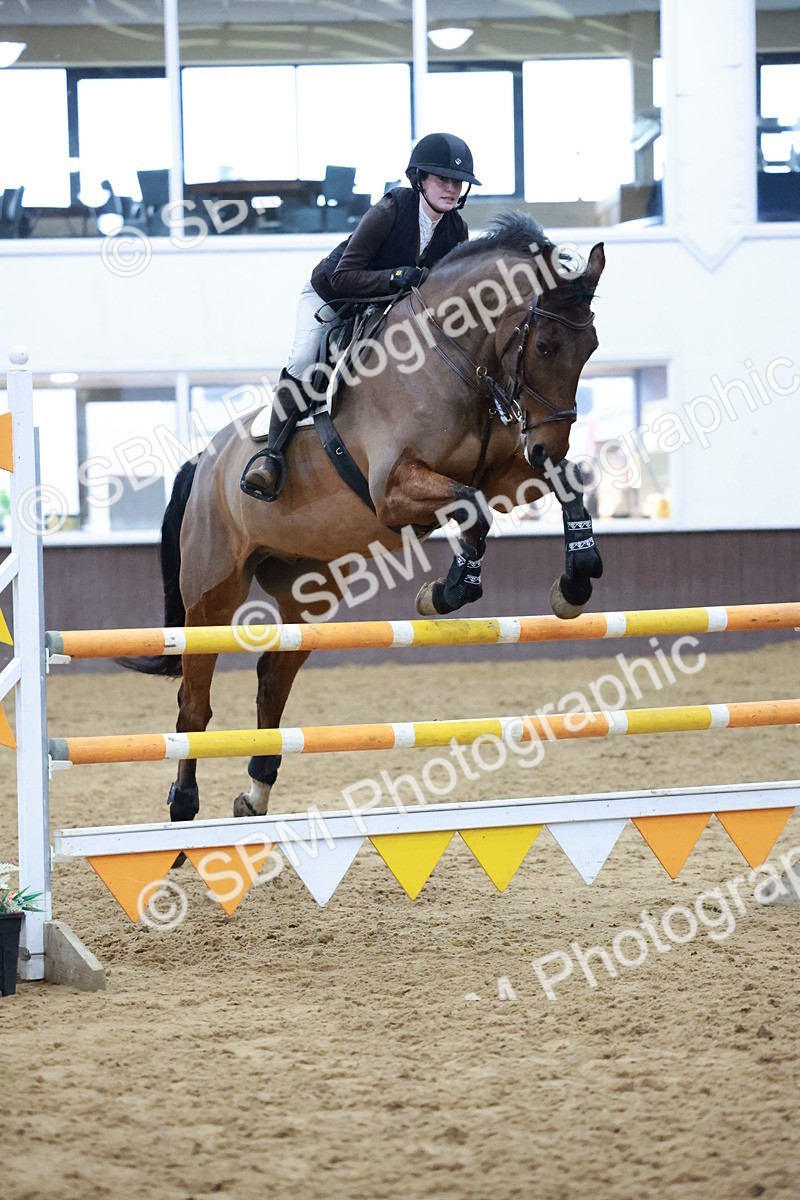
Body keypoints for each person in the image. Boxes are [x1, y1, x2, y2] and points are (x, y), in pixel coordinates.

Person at [242, 132, 481, 500]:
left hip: (383, 309)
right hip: (332, 300)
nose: (452, 188)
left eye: (458, 182)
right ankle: (270, 456)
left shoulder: (455, 230)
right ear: (419, 178)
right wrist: (395, 276)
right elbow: (343, 275)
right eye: (443, 179)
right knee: (306, 358)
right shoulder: (391, 209)